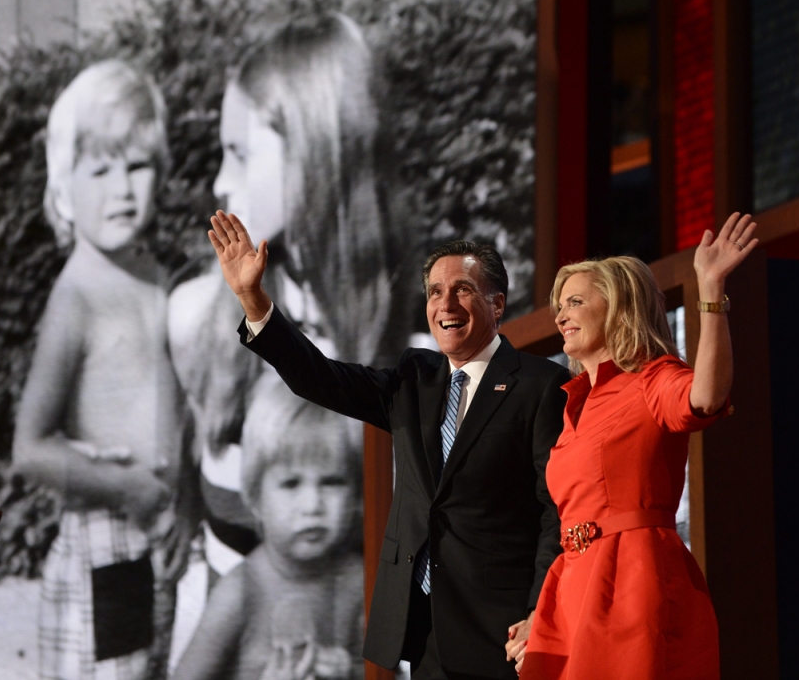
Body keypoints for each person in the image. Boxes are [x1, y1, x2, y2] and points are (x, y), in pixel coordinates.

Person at [207, 209, 571, 680]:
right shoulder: (414, 380)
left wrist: (542, 610)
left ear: (497, 304)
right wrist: (253, 300)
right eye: (435, 292)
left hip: (502, 630)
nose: (446, 304)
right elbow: (319, 377)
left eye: (462, 289)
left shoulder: (541, 385)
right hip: (426, 630)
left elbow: (556, 509)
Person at [167, 11, 395, 591]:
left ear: (313, 152)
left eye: (240, 153)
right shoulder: (194, 321)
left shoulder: (415, 342)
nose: (220, 181)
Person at [511, 213, 758, 680]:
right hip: (573, 586)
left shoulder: (652, 378)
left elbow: (707, 396)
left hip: (632, 582)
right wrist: (539, 619)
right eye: (559, 305)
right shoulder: (574, 403)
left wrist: (710, 291)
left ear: (618, 308)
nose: (560, 316)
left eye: (576, 302)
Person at [11, 60, 184, 680]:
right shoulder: (75, 296)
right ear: (64, 188)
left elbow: (177, 413)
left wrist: (181, 505)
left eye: (136, 166)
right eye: (101, 170)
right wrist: (129, 488)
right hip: (102, 541)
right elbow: (30, 449)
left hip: (158, 534)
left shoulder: (156, 279)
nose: (122, 189)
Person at [173, 381, 364, 680]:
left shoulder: (358, 581)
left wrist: (351, 672)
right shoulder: (241, 593)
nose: (312, 505)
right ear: (255, 498)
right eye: (291, 484)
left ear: (357, 495)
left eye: (332, 482)